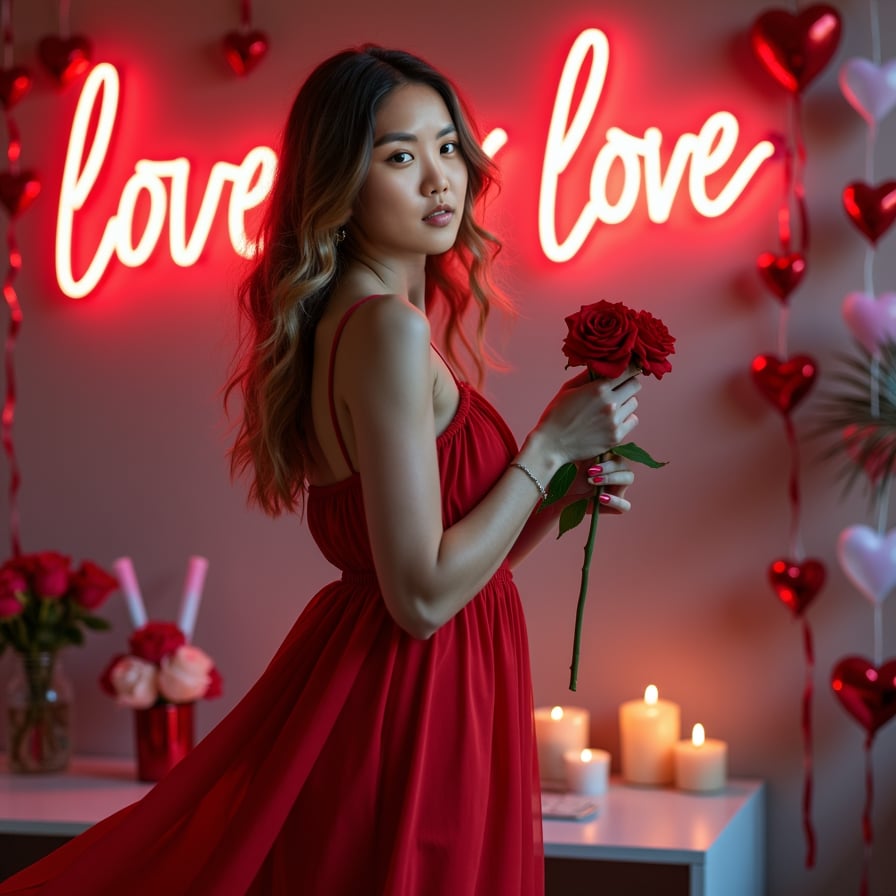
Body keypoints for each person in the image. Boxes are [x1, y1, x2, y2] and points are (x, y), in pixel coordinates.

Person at [0, 45, 640, 895]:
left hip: (422, 683)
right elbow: (418, 600)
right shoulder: (386, 332)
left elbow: (447, 569)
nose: (439, 179)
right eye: (400, 156)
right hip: (413, 705)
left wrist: (555, 489)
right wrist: (546, 449)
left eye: (448, 147)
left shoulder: (365, 325)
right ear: (340, 184)